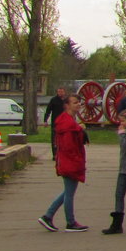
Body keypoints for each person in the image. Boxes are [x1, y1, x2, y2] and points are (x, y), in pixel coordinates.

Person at [37, 94, 88, 232]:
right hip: (70, 161)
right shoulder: (67, 123)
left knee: (67, 191)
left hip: (68, 160)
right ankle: (70, 222)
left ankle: (48, 216)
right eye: (75, 103)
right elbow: (68, 146)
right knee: (69, 193)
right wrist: (80, 130)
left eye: (79, 102)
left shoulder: (69, 121)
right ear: (67, 105)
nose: (78, 105)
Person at [43, 86, 67, 159]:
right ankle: (55, 155)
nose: (60, 93)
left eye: (62, 92)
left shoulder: (67, 101)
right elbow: (48, 110)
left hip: (65, 122)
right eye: (59, 92)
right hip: (55, 123)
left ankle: (63, 154)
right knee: (54, 139)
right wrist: (45, 120)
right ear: (57, 92)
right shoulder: (53, 100)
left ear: (64, 92)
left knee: (65, 139)